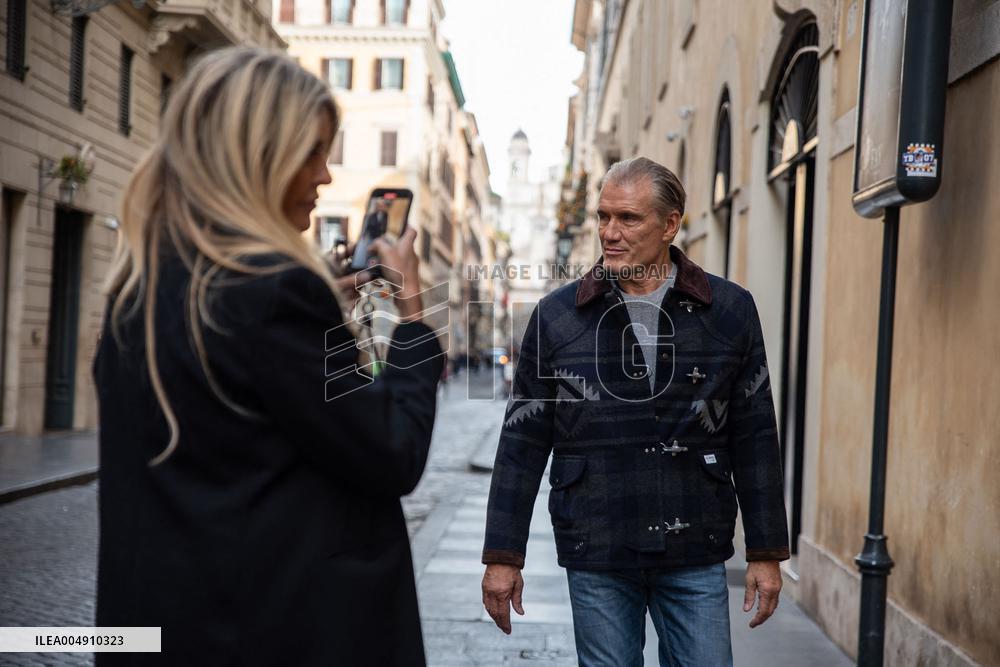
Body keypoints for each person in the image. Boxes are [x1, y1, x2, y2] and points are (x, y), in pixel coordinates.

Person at [93, 48, 443, 666]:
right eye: (313, 151)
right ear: (257, 156)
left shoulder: (138, 288)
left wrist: (321, 310)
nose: (326, 176)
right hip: (276, 631)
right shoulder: (278, 291)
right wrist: (415, 315)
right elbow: (392, 451)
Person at [481, 157, 788, 666]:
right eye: (604, 217)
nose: (610, 232)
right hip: (597, 541)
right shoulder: (558, 317)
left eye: (628, 218)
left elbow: (755, 435)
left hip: (695, 542)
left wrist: (766, 550)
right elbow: (522, 442)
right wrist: (502, 556)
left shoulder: (729, 310)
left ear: (670, 225)